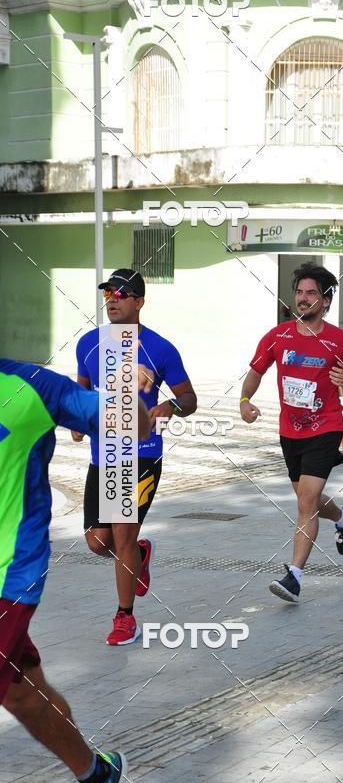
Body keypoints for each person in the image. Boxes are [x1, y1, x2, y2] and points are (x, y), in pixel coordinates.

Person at [0, 358, 151, 783]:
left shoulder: (32, 386)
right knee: (20, 696)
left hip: (8, 575)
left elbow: (130, 425)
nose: (116, 302)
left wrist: (134, 399)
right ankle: (95, 773)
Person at [74, 269, 197, 646]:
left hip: (141, 454)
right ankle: (139, 556)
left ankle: (125, 617)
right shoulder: (89, 345)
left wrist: (169, 405)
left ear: (139, 302)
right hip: (104, 453)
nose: (113, 299)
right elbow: (79, 391)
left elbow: (189, 399)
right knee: (98, 541)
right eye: (108, 293)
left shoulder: (159, 349)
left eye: (122, 294)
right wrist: (76, 419)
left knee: (123, 535)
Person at [240, 261, 343, 603]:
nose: (303, 298)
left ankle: (294, 576)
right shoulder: (278, 336)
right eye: (299, 292)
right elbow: (255, 371)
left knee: (306, 501)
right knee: (305, 499)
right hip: (289, 432)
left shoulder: (339, 341)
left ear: (325, 301)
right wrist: (244, 399)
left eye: (311, 293)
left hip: (326, 427)